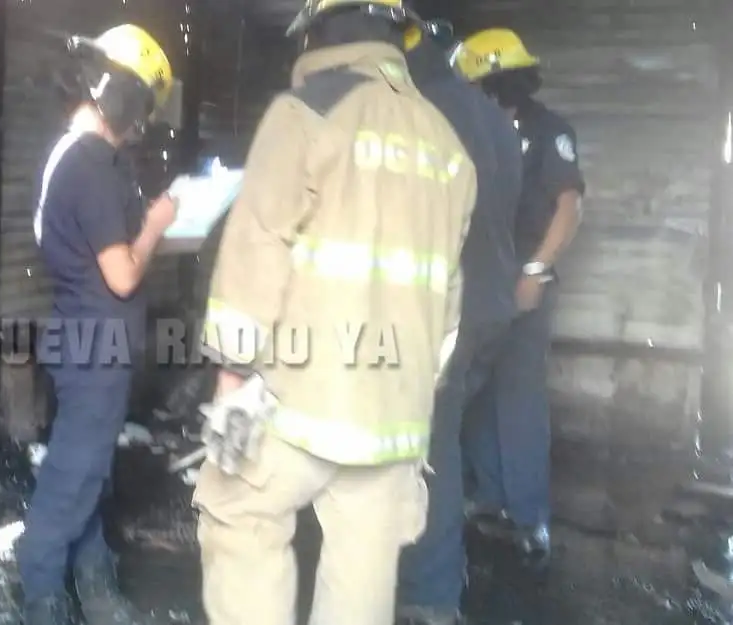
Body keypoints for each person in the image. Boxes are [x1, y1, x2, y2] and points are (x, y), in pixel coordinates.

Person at [191, 1, 478, 623]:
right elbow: (447, 294)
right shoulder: (447, 146)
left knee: (239, 514)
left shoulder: (303, 114)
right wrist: (415, 389)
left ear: (318, 33)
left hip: (300, 401)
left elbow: (255, 252)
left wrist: (231, 381)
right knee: (364, 564)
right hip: (395, 412)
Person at [17, 24, 179, 625]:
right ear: (124, 97)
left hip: (86, 341)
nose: (140, 126)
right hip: (93, 349)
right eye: (142, 110)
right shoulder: (90, 164)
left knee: (89, 472)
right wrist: (157, 225)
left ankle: (92, 572)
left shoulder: (82, 157)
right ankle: (42, 590)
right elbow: (123, 275)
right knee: (73, 476)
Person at [393, 22, 524, 625]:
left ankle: (430, 593)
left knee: (431, 448)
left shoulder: (418, 112)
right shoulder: (493, 118)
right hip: (493, 305)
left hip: (448, 310)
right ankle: (439, 567)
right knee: (444, 437)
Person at [455, 27, 585, 566]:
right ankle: (489, 498)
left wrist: (535, 270)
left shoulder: (548, 131)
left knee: (520, 397)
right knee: (474, 394)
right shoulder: (469, 132)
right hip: (478, 284)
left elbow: (568, 208)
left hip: (524, 281)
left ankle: (529, 518)